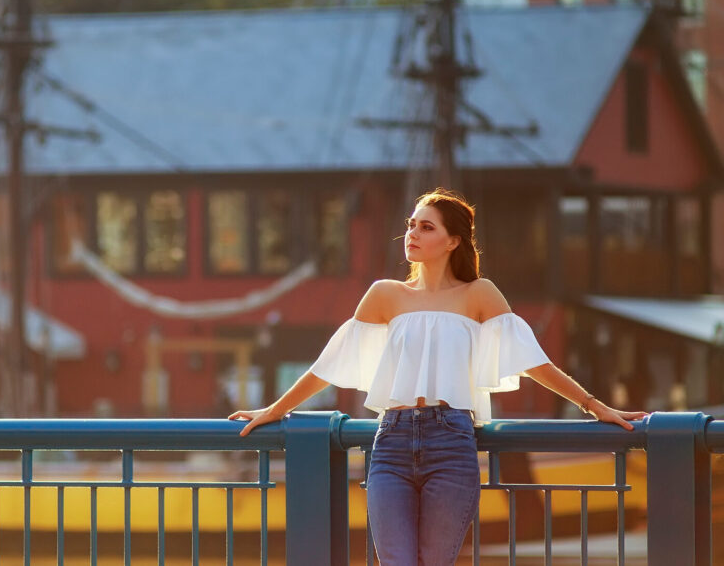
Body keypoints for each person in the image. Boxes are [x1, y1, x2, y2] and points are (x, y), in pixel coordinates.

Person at [228, 187, 648, 566]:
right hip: (390, 442)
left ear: (453, 241)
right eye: (411, 224)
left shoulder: (479, 293)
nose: (411, 232)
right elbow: (329, 364)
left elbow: (534, 362)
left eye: (425, 227)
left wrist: (596, 407)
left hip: (452, 443)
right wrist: (273, 409)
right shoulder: (384, 294)